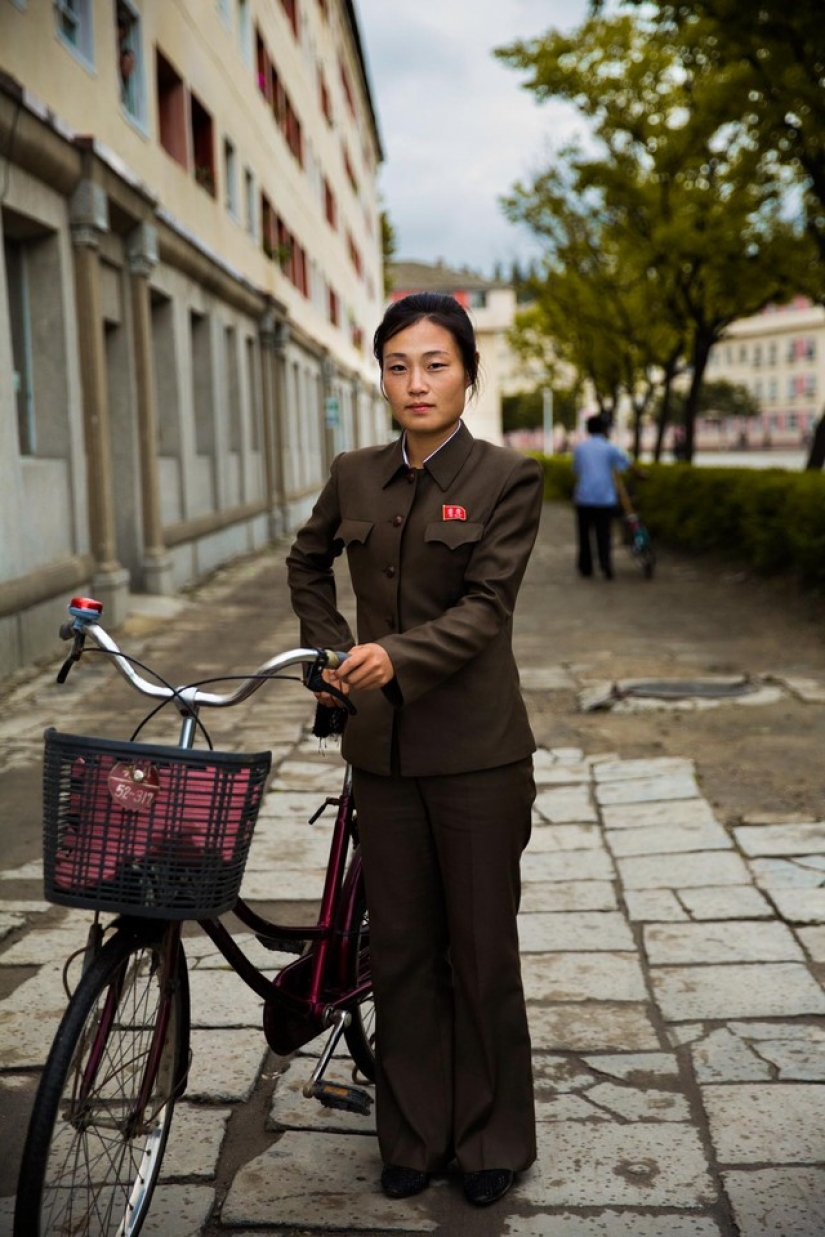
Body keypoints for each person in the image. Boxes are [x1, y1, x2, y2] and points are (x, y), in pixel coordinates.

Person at [286, 292, 544, 1209]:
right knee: (398, 950)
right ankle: (411, 1132)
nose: (416, 382)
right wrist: (327, 650)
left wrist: (392, 654)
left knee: (478, 951)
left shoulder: (508, 477)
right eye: (398, 365)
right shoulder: (355, 471)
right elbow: (305, 560)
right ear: (381, 377)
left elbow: (485, 610)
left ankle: (491, 1135)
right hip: (383, 757)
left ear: (467, 372)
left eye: (435, 363)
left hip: (477, 757)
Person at [572, 413, 630, 579]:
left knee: (584, 534)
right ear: (604, 428)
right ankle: (606, 564)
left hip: (584, 497)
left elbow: (576, 469)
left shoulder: (580, 448)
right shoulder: (609, 447)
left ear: (588, 429)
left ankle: (586, 567)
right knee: (604, 533)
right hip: (605, 498)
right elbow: (625, 464)